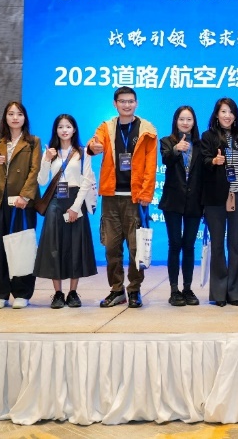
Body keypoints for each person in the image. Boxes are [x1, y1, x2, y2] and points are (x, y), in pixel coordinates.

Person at [87, 87, 158, 309]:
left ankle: (134, 290)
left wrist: (146, 193)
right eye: (122, 101)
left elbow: (151, 165)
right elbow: (94, 144)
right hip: (111, 196)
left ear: (136, 103)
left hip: (135, 198)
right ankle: (117, 290)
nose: (126, 105)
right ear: (115, 104)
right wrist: (93, 147)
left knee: (136, 249)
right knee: (111, 247)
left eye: (130, 101)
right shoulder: (107, 127)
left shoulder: (147, 130)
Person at [0, 101, 41, 310]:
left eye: (19, 114)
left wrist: (25, 195)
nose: (15, 118)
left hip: (22, 202)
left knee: (22, 247)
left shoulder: (33, 141)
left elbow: (35, 170)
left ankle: (22, 293)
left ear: (25, 118)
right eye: (11, 114)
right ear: (5, 117)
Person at [35, 114, 97, 309]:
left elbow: (87, 180)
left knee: (75, 246)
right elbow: (42, 181)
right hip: (55, 201)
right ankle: (58, 293)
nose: (64, 130)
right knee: (54, 246)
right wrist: (46, 160)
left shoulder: (83, 152)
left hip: (75, 200)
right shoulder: (49, 152)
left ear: (74, 129)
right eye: (60, 126)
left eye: (68, 126)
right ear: (56, 130)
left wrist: (75, 207)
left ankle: (73, 292)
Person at [200, 98, 238, 306]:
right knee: (218, 245)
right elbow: (203, 161)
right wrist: (214, 161)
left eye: (231, 112)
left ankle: (235, 292)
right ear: (216, 114)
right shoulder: (208, 136)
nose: (227, 116)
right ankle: (219, 293)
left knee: (235, 244)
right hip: (215, 197)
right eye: (223, 111)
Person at [158, 105, 203, 307]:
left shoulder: (200, 145)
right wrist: (177, 149)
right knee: (175, 244)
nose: (185, 123)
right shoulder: (167, 142)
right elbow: (166, 159)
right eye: (182, 119)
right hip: (173, 201)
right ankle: (174, 290)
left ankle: (187, 288)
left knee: (189, 245)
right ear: (176, 121)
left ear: (194, 123)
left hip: (194, 201)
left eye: (189, 119)